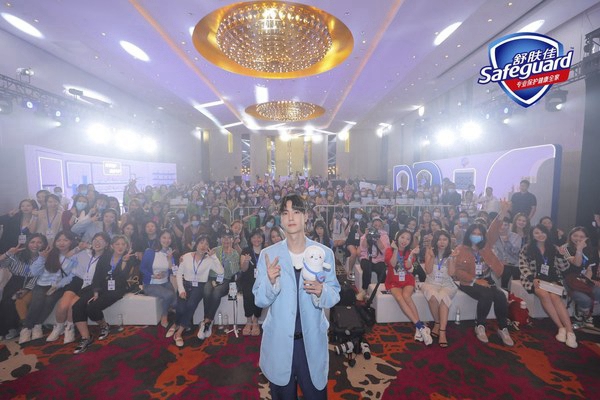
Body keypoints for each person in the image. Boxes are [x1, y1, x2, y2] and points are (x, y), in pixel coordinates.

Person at [253, 194, 340, 399]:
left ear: (306, 216)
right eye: (285, 213)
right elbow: (259, 300)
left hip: (311, 342)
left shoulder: (324, 253)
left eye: (297, 212)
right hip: (279, 342)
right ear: (281, 219)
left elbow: (334, 294)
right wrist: (270, 282)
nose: (291, 217)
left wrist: (321, 291)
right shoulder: (268, 255)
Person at [454, 200, 514, 346]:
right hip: (468, 283)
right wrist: (476, 280)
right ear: (469, 235)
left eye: (479, 234)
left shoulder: (486, 245)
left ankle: (503, 328)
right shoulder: (461, 249)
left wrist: (503, 212)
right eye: (473, 234)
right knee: (486, 295)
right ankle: (480, 326)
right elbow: (458, 271)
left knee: (500, 296)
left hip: (486, 280)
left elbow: (493, 230)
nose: (476, 236)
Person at [71, 235, 139, 354]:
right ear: (112, 246)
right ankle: (86, 338)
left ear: (126, 246)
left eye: (123, 244)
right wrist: (96, 291)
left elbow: (122, 278)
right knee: (77, 306)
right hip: (101, 286)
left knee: (92, 307)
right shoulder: (106, 256)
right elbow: (97, 276)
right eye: (117, 244)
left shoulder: (130, 259)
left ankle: (104, 326)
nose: (120, 247)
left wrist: (124, 261)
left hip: (116, 289)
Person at [47, 232, 112, 344]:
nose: (97, 242)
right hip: (77, 280)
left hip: (91, 284)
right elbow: (68, 256)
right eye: (95, 240)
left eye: (101, 241)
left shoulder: (107, 257)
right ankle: (58, 327)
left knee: (73, 306)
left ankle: (70, 328)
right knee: (63, 305)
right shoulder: (85, 252)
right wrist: (79, 248)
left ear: (106, 244)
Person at [519, 224, 577, 348]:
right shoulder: (527, 248)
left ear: (547, 233)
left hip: (552, 279)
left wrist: (561, 255)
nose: (540, 235)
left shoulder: (555, 248)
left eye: (542, 232)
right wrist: (532, 278)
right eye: (536, 233)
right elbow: (522, 265)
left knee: (555, 297)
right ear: (532, 235)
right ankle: (561, 327)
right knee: (544, 294)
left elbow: (564, 268)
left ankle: (570, 331)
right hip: (534, 280)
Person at [19, 231, 78, 344]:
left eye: (65, 240)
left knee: (49, 301)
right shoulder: (48, 252)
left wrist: (58, 285)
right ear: (55, 242)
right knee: (37, 302)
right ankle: (26, 328)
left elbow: (72, 275)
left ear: (71, 242)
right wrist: (42, 258)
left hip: (59, 286)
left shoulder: (74, 256)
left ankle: (37, 325)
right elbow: (34, 271)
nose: (62, 243)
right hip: (42, 284)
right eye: (59, 240)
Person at [167, 235, 223, 347]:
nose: (203, 246)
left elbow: (221, 271)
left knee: (191, 305)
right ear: (196, 244)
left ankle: (179, 332)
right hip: (185, 284)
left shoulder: (209, 260)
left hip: (199, 287)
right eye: (201, 242)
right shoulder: (186, 256)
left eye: (206, 244)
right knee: (180, 307)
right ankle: (175, 323)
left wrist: (214, 257)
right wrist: (181, 290)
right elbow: (179, 274)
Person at [384, 229, 433, 346]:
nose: (404, 241)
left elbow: (408, 267)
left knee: (406, 296)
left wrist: (411, 255)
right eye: (402, 237)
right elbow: (393, 264)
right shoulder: (389, 250)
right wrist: (396, 250)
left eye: (408, 239)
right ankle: (421, 326)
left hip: (407, 280)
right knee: (399, 298)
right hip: (393, 282)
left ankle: (419, 327)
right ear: (397, 237)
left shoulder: (410, 252)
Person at [0, 234, 47, 340]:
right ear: (27, 243)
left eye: (39, 242)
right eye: (32, 242)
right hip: (15, 280)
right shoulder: (18, 254)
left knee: (18, 300)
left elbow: (38, 276)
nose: (35, 245)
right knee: (6, 301)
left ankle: (16, 328)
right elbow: (2, 264)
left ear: (44, 244)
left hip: (33, 283)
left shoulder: (43, 257)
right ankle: (5, 329)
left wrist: (26, 289)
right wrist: (8, 254)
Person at [197, 228, 240, 340]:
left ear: (233, 239)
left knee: (216, 292)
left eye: (229, 238)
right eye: (224, 237)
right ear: (220, 239)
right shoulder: (215, 250)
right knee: (207, 290)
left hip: (226, 279)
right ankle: (208, 321)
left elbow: (234, 271)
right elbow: (202, 258)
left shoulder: (235, 253)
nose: (226, 240)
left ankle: (207, 320)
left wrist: (229, 257)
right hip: (212, 278)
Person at [421, 230, 457, 348]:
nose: (442, 242)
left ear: (448, 241)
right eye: (439, 239)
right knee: (432, 297)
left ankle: (442, 331)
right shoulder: (430, 251)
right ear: (435, 241)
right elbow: (428, 271)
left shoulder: (452, 253)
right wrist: (431, 257)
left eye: (445, 239)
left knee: (444, 298)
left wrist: (451, 259)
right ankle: (437, 322)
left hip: (447, 284)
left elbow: (451, 273)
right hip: (431, 283)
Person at [560, 227, 600, 326]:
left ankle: (584, 313)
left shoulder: (590, 249)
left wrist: (588, 281)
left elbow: (589, 269)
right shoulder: (565, 248)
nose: (578, 238)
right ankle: (583, 316)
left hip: (583, 278)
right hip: (569, 279)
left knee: (597, 292)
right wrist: (579, 249)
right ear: (570, 236)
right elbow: (577, 263)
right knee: (585, 299)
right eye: (575, 235)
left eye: (582, 236)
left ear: (586, 238)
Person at [140, 230, 177, 328]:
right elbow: (142, 268)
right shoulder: (150, 252)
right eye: (164, 237)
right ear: (159, 238)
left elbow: (172, 271)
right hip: (151, 284)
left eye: (169, 238)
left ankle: (168, 306)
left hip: (165, 282)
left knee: (176, 303)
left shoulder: (170, 252)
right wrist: (153, 275)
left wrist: (170, 260)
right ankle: (164, 315)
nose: (166, 240)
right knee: (169, 295)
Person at [356, 217, 390, 301]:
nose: (377, 227)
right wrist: (367, 236)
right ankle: (365, 290)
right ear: (372, 226)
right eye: (375, 225)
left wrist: (377, 239)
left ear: (382, 227)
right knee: (367, 267)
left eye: (379, 226)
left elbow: (385, 250)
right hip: (367, 258)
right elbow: (363, 248)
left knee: (381, 269)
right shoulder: (366, 235)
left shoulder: (385, 236)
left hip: (379, 260)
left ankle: (381, 289)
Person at [239, 229, 265, 336]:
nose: (256, 239)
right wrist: (246, 261)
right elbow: (243, 269)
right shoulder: (246, 250)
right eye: (254, 237)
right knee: (248, 296)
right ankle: (248, 321)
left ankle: (255, 321)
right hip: (248, 279)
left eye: (259, 237)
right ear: (250, 239)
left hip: (261, 280)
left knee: (260, 297)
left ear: (263, 238)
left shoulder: (266, 250)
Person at [494, 217, 522, 290]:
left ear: (509, 226)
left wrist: (507, 242)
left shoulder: (516, 236)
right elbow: (493, 251)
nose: (503, 227)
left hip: (515, 264)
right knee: (502, 284)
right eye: (501, 225)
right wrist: (500, 261)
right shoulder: (494, 237)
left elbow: (515, 252)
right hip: (500, 264)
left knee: (516, 285)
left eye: (505, 225)